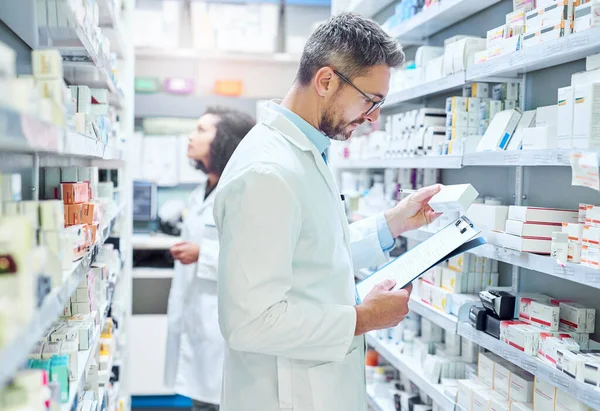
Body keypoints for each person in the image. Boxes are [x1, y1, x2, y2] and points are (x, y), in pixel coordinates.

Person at [213, 13, 443, 411]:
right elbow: (249, 323)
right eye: (371, 101)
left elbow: (313, 252)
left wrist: (394, 222)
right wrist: (363, 318)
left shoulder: (303, 152)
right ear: (325, 81)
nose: (373, 117)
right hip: (283, 396)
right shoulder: (267, 172)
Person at [164, 107, 255, 411]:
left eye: (202, 130)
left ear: (225, 140)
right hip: (198, 315)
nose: (191, 136)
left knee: (220, 398)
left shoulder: (243, 190)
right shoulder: (204, 189)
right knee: (203, 399)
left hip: (224, 323)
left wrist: (202, 253)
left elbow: (255, 259)